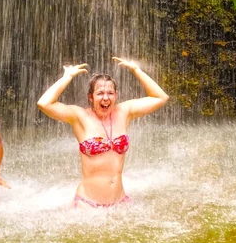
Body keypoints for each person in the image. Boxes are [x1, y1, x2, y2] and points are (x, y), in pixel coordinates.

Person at [37, 57, 169, 209]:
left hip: (120, 202)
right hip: (88, 206)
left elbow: (161, 97)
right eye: (100, 93)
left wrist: (136, 70)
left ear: (116, 95)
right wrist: (67, 77)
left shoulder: (124, 112)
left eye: (110, 93)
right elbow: (44, 103)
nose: (106, 98)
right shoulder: (79, 117)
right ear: (91, 97)